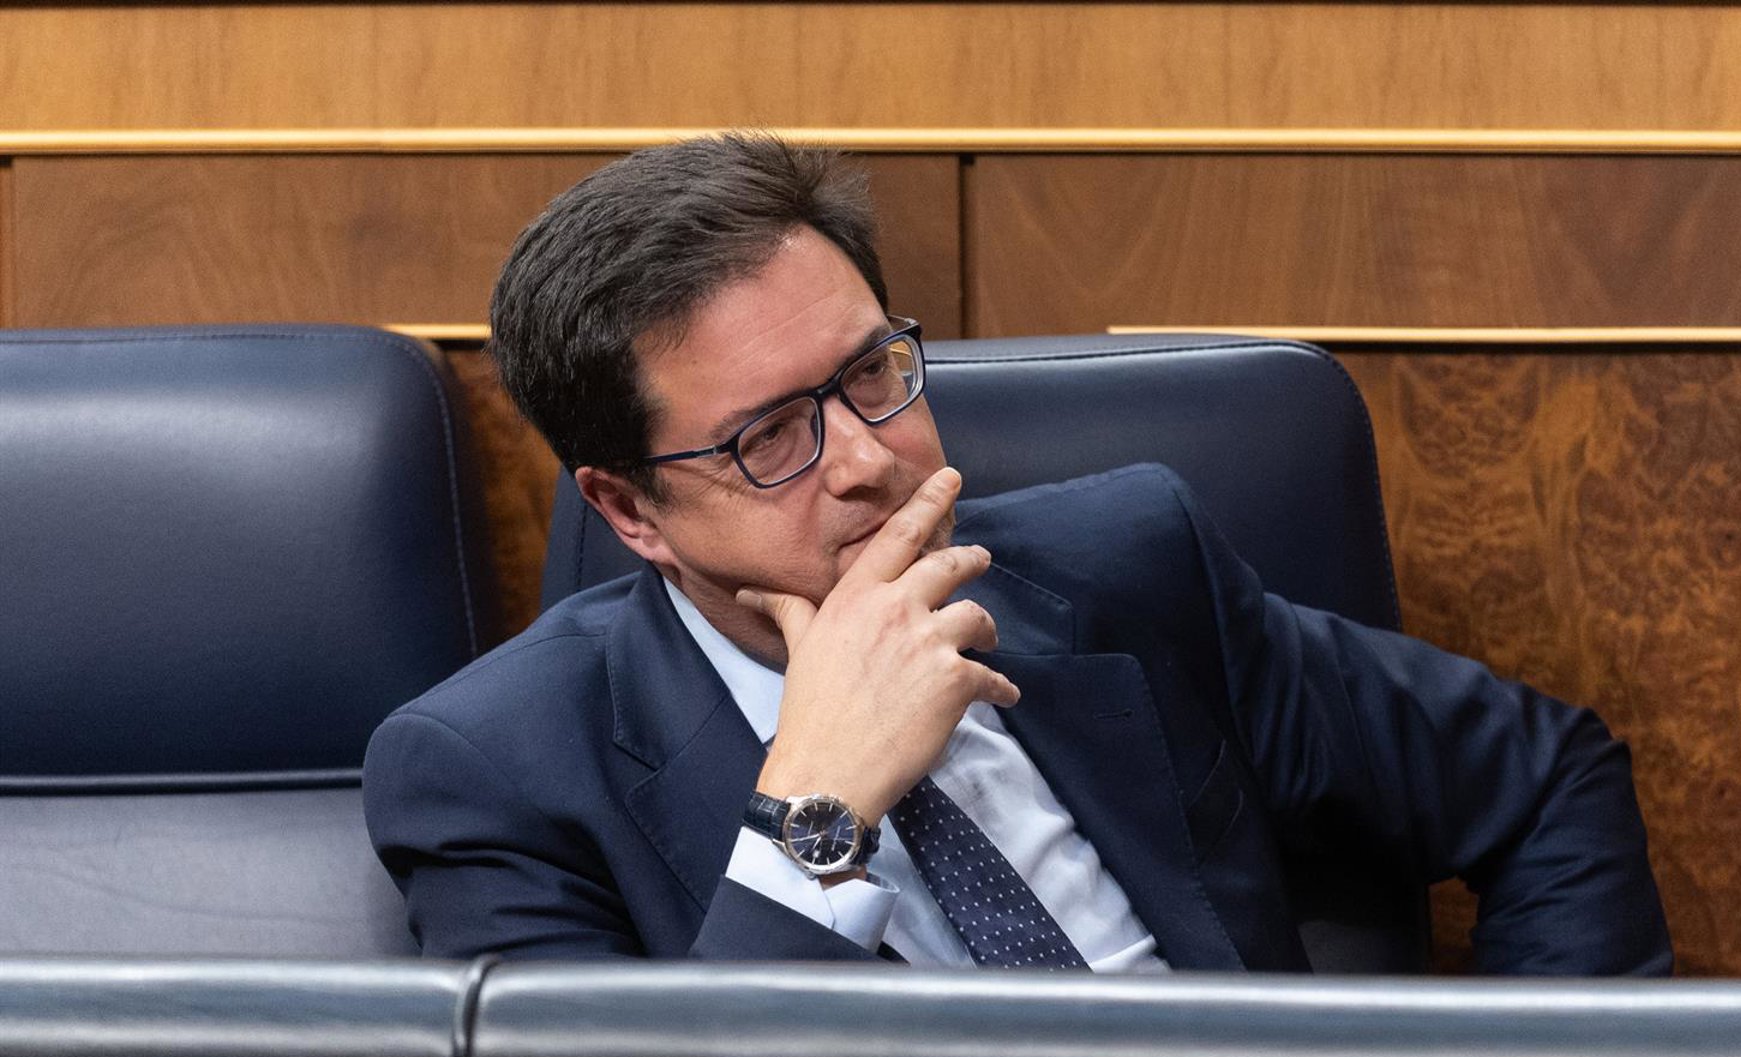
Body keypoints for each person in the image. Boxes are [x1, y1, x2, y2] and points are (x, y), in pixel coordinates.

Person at [363, 133, 1672, 975]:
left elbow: (1544, 780)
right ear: (630, 510)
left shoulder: (1125, 567)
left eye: (871, 373)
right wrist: (818, 806)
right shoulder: (497, 774)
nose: (869, 457)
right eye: (770, 437)